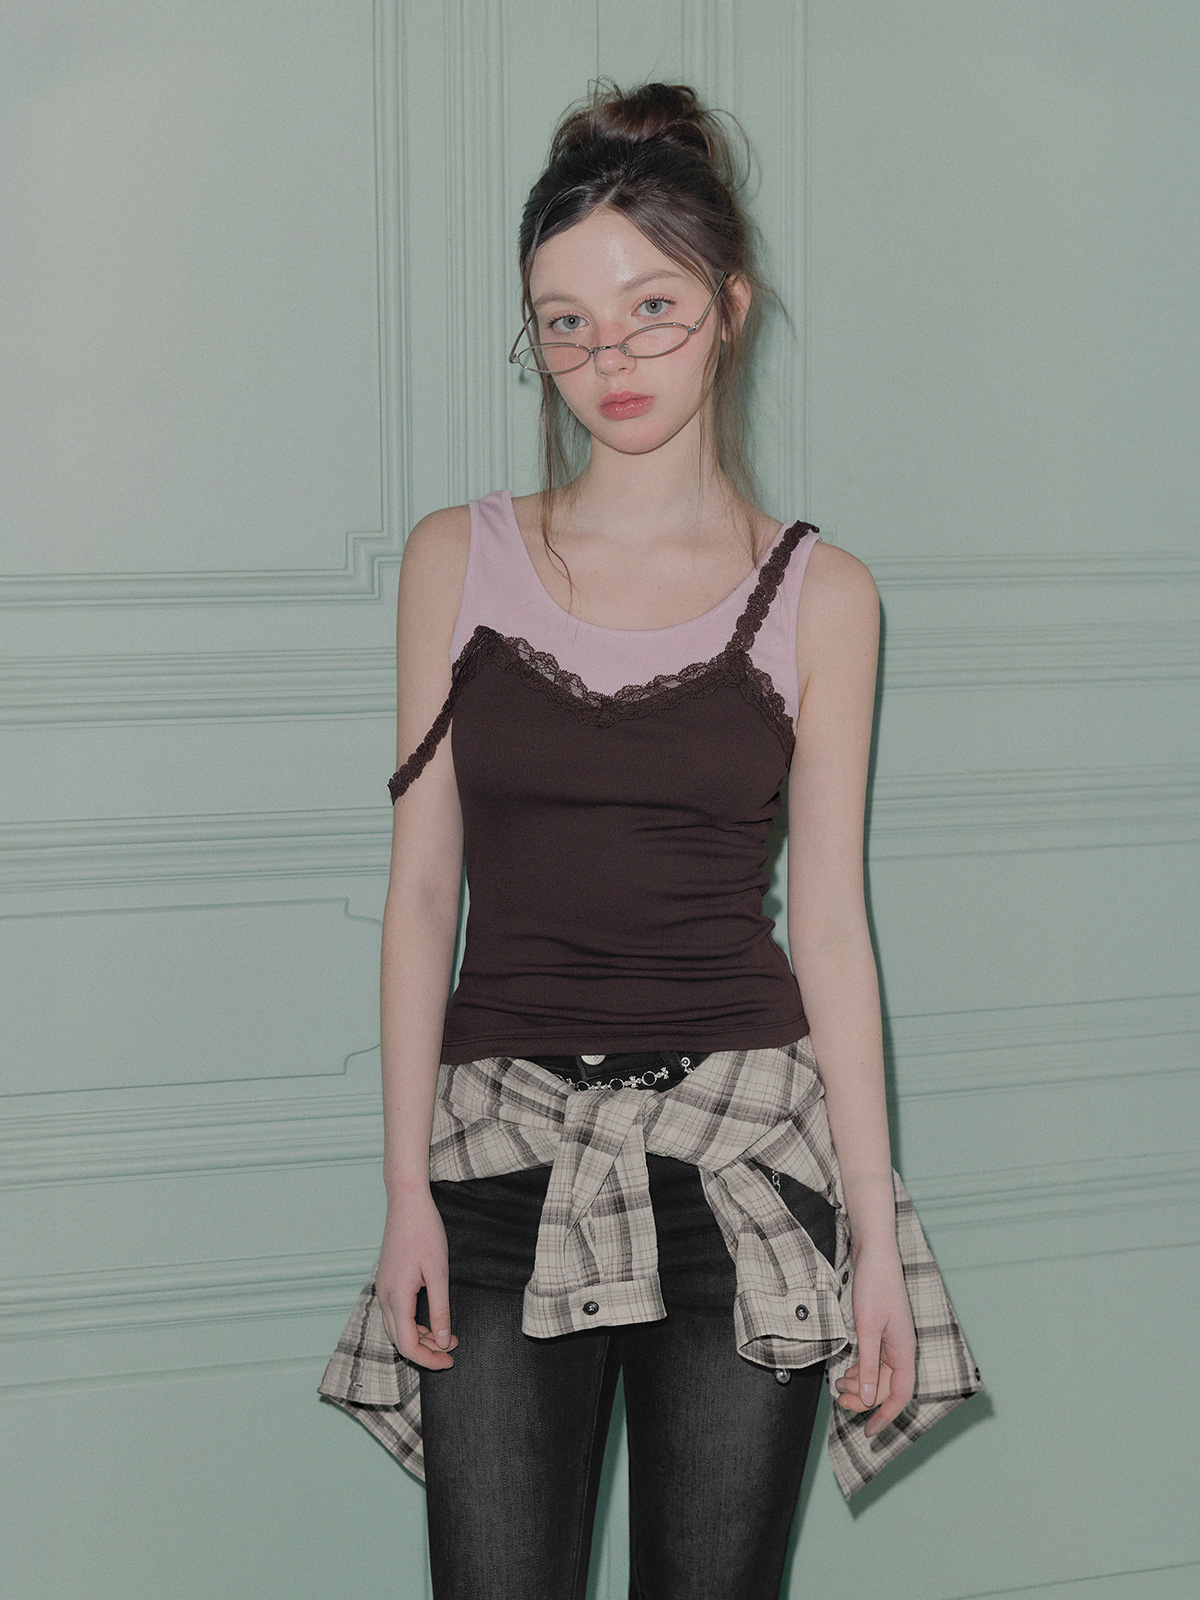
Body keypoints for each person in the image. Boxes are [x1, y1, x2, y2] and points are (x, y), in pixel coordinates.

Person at [320, 78, 980, 1600]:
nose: (607, 356)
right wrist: (406, 1193)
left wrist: (879, 1239)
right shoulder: (455, 559)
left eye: (650, 308)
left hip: (746, 1163)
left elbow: (831, 929)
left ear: (729, 308)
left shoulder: (826, 595)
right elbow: (422, 896)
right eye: (565, 323)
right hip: (497, 1161)